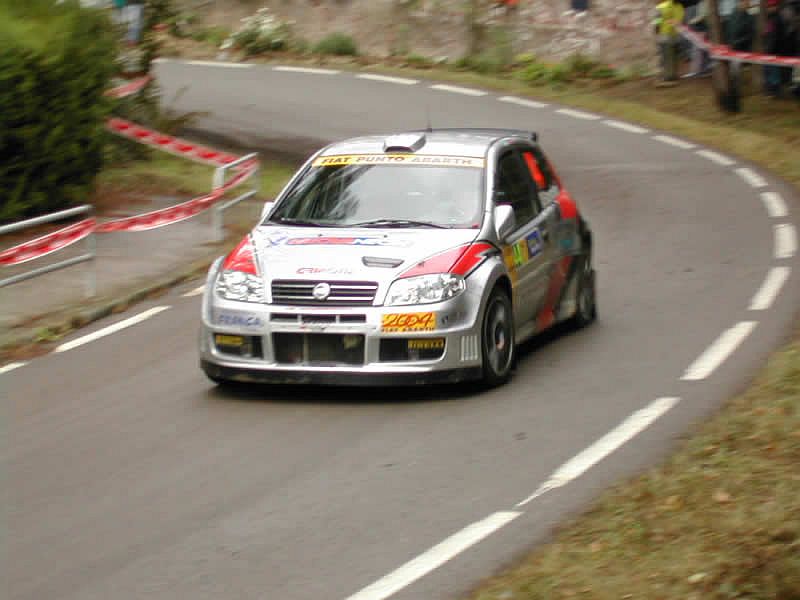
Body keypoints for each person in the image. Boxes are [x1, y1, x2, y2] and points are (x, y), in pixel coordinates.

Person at [653, 0, 686, 84]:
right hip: (674, 34)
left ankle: (669, 76)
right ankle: (672, 74)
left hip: (666, 34)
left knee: (667, 55)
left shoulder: (663, 6)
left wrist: (656, 30)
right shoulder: (679, 6)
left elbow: (657, 20)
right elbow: (681, 19)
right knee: (673, 55)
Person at [763, 0, 788, 97]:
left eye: (771, 6)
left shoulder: (776, 19)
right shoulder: (772, 18)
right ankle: (772, 90)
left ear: (776, 7)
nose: (769, 8)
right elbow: (769, 35)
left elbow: (774, 37)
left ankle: (774, 91)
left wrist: (769, 50)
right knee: (771, 72)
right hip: (772, 50)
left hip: (774, 51)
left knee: (774, 72)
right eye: (768, 7)